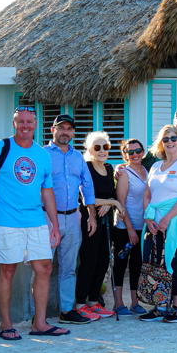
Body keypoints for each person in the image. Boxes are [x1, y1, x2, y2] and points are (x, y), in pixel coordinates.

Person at [0, 105, 67, 340]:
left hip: (35, 219)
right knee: (8, 270)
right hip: (5, 220)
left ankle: (40, 324)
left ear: (36, 125)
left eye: (29, 122)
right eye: (20, 122)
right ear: (14, 124)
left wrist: (54, 225)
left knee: (43, 268)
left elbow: (47, 191)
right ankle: (6, 324)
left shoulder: (42, 154)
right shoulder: (0, 148)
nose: (25, 126)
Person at [139, 125, 177, 323]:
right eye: (165, 139)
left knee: (174, 261)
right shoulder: (155, 166)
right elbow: (147, 195)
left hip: (176, 219)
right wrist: (148, 217)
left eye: (173, 138)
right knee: (155, 263)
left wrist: (166, 218)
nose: (170, 142)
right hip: (153, 220)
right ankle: (160, 305)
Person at [45, 114, 98, 325]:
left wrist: (91, 215)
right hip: (48, 219)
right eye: (61, 128)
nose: (65, 132)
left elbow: (87, 186)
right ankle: (36, 313)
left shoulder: (78, 157)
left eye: (69, 128)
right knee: (42, 266)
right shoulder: (43, 155)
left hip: (73, 217)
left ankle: (66, 311)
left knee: (69, 267)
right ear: (53, 130)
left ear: (73, 132)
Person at [75, 131, 121, 318]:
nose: (102, 151)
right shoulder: (86, 167)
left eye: (106, 147)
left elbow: (113, 194)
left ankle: (94, 300)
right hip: (90, 220)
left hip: (106, 222)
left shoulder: (109, 168)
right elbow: (85, 196)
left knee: (103, 261)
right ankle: (80, 303)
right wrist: (113, 203)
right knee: (89, 261)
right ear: (89, 149)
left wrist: (109, 202)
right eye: (97, 147)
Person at [112, 138, 149, 316]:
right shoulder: (124, 173)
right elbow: (121, 203)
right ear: (124, 155)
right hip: (124, 227)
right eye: (130, 152)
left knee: (137, 265)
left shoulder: (147, 170)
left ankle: (135, 302)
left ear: (143, 151)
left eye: (137, 150)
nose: (134, 154)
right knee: (120, 264)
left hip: (143, 226)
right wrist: (130, 229)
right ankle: (118, 303)